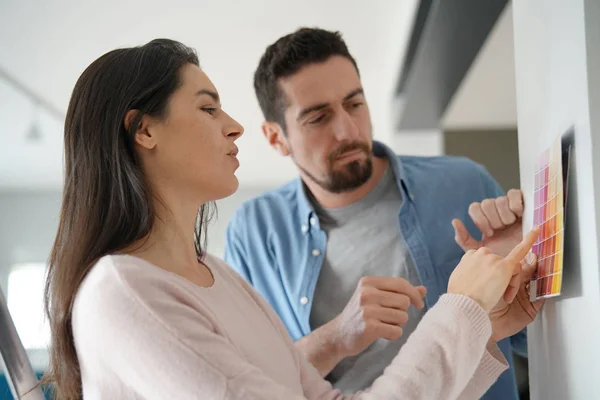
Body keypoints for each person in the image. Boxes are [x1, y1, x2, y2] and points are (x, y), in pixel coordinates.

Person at [40, 38, 542, 400]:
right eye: (208, 108)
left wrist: (485, 323)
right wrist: (461, 309)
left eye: (355, 104)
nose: (232, 126)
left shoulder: (220, 277)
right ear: (144, 130)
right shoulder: (126, 294)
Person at [224, 27, 528, 399]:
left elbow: (533, 335)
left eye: (354, 104)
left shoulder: (465, 183)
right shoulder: (253, 232)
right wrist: (335, 339)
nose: (347, 130)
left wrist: (520, 270)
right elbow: (250, 383)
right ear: (276, 137)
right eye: (318, 118)